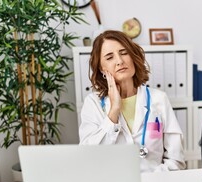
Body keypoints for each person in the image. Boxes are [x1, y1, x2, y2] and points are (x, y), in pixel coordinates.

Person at [79, 30, 186, 172]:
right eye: (109, 57)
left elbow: (176, 160)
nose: (120, 61)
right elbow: (88, 157)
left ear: (133, 56)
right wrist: (114, 111)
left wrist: (152, 179)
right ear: (101, 68)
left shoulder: (159, 98)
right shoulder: (93, 103)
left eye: (124, 53)